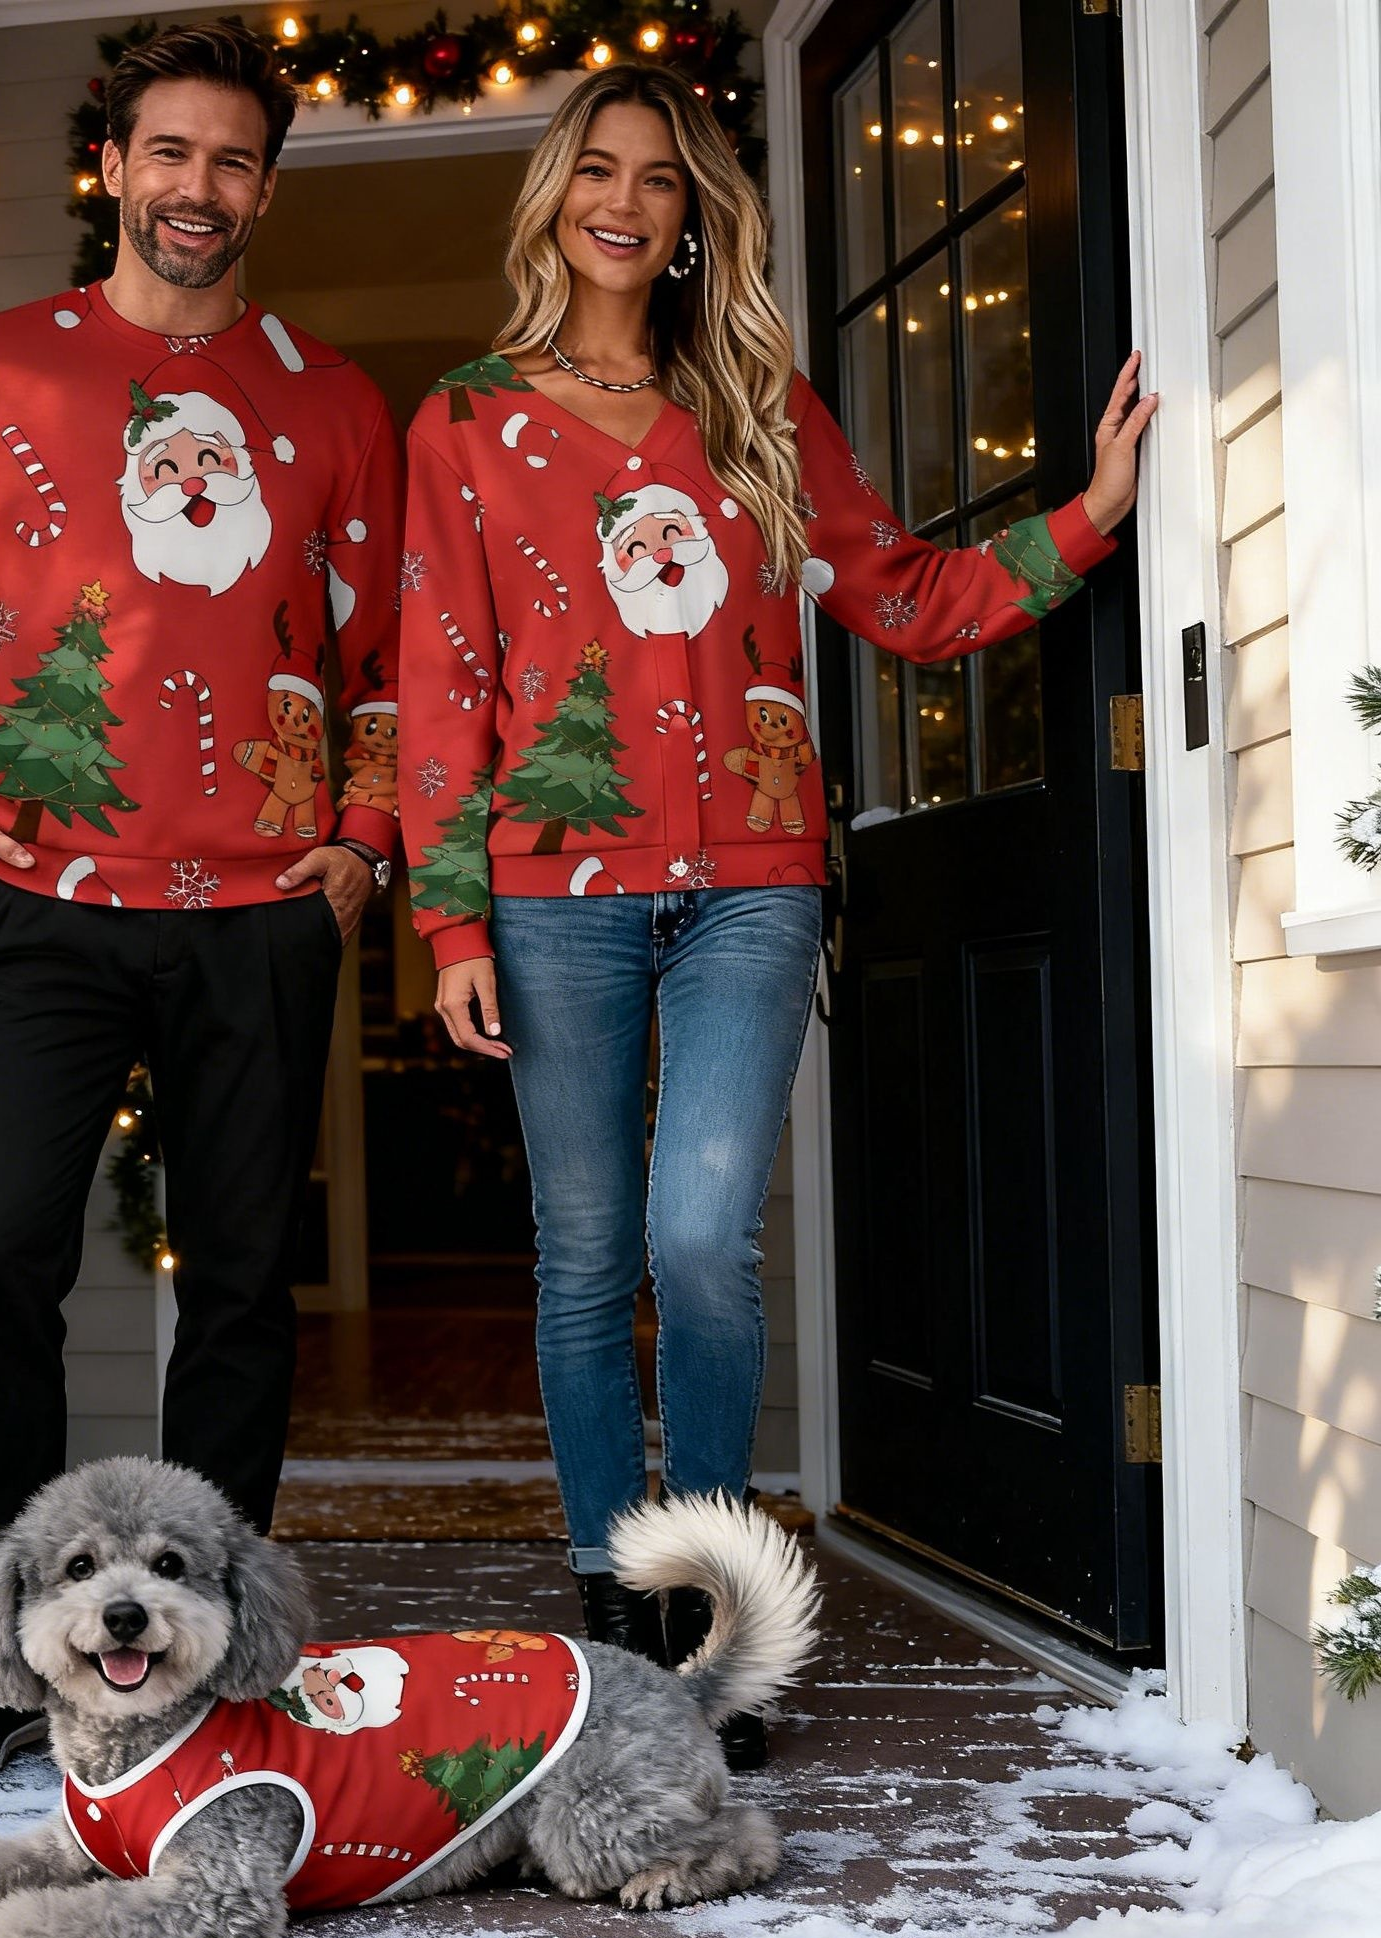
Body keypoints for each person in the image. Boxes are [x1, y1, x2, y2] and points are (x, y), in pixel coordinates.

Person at [396, 65, 1151, 1767]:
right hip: (546, 892)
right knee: (584, 1260)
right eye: (598, 169)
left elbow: (901, 593)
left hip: (754, 876)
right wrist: (450, 928)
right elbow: (438, 688)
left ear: (691, 216)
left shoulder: (760, 407)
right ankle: (617, 1623)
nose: (627, 200)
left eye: (661, 179)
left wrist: (1087, 525)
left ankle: (710, 1601)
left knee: (696, 1239)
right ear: (554, 198)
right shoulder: (462, 422)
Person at [0, 22, 403, 1787]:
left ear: (262, 185)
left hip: (260, 907)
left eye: (233, 160)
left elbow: (384, 663)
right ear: (113, 165)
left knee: (240, 1285)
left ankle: (212, 1667)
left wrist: (363, 843)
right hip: (44, 901)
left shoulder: (335, 404)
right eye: (170, 152)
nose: (197, 190)